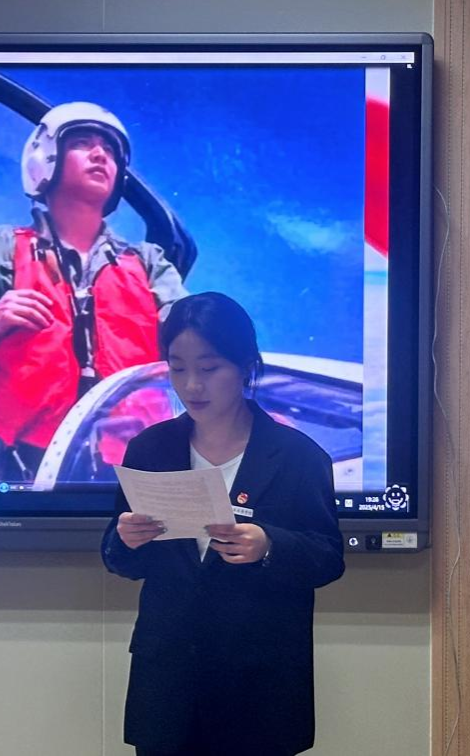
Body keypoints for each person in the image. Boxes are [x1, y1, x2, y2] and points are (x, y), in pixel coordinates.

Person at [101, 292, 345, 756]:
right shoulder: (150, 449)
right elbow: (120, 559)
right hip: (168, 685)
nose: (192, 385)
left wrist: (269, 545)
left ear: (246, 366)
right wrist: (125, 540)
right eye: (177, 368)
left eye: (209, 368)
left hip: (260, 686)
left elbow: (328, 558)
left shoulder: (297, 456)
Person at [0, 102, 187, 485]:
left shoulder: (147, 263)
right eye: (83, 143)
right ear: (46, 157)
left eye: (110, 150)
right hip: (12, 471)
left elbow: (191, 330)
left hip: (135, 473)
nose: (100, 154)